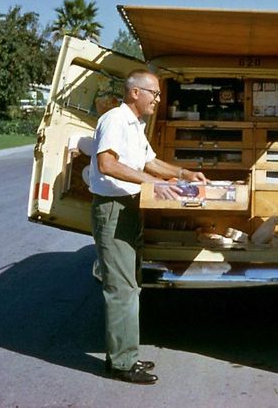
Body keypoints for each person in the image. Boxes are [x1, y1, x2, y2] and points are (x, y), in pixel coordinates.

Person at [89, 69, 207, 385]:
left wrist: (183, 173)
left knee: (131, 284)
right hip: (113, 209)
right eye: (153, 93)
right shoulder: (115, 120)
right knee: (121, 288)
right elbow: (107, 163)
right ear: (135, 93)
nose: (158, 98)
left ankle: (126, 354)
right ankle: (121, 364)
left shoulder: (135, 125)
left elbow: (148, 161)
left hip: (128, 208)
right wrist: (155, 183)